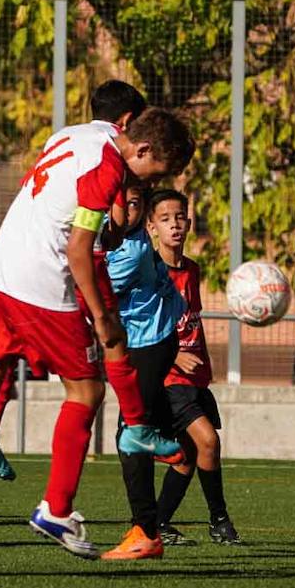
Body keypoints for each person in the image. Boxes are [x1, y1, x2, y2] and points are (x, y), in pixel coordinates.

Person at [0, 103, 196, 558]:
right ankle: (56, 509)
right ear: (141, 147)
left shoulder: (84, 133)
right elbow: (79, 247)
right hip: (41, 283)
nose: (143, 184)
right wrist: (101, 315)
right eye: (150, 172)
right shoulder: (106, 168)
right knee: (86, 391)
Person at [0, 80, 169, 483]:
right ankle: (135, 430)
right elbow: (109, 225)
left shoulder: (69, 138)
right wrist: (122, 222)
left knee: (3, 356)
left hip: (22, 263)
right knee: (109, 344)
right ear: (128, 121)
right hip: (75, 262)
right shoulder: (112, 156)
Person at [146, 189, 240, 544]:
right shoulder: (150, 274)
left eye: (180, 218)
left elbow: (188, 322)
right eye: (165, 219)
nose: (174, 225)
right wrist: (172, 356)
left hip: (196, 378)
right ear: (152, 227)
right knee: (208, 441)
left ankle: (157, 524)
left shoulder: (192, 270)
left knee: (186, 456)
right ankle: (219, 520)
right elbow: (141, 330)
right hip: (170, 378)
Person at [102, 183, 186, 560]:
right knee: (138, 431)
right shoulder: (116, 237)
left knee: (129, 434)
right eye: (118, 203)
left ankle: (146, 532)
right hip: (145, 340)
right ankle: (173, 448)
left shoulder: (131, 250)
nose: (124, 211)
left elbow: (90, 292)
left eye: (134, 204)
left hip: (149, 343)